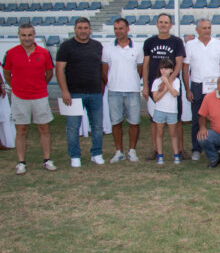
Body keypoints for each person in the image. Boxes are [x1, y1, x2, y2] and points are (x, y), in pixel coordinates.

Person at [2, 23, 56, 174]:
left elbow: (49, 72)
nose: (27, 38)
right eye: (23, 35)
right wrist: (15, 86)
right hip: (20, 97)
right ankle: (21, 162)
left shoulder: (43, 53)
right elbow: (6, 73)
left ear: (34, 35)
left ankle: (47, 159)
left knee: (44, 128)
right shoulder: (11, 53)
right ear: (19, 36)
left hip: (40, 96)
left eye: (30, 35)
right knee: (21, 130)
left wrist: (40, 85)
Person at [56, 17, 105, 167]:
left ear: (90, 29)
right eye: (80, 28)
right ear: (75, 29)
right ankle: (75, 156)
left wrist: (102, 87)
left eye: (85, 28)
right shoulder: (66, 46)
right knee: (72, 127)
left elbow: (102, 69)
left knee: (97, 126)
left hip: (95, 93)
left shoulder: (97, 46)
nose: (82, 31)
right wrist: (64, 91)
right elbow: (59, 70)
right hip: (74, 93)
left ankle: (96, 153)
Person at [142, 13, 186, 161]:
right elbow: (146, 65)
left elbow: (179, 63)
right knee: (155, 120)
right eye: (161, 22)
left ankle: (179, 150)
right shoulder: (149, 42)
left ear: (170, 25)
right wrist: (145, 86)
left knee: (177, 119)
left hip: (170, 84)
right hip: (154, 86)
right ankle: (156, 150)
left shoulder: (177, 42)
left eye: (166, 22)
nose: (163, 24)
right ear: (157, 24)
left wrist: (169, 81)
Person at [182, 18, 220, 161]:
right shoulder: (190, 45)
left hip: (215, 87)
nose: (207, 30)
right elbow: (185, 68)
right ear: (197, 30)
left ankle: (219, 147)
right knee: (197, 118)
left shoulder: (218, 43)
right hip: (197, 86)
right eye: (204, 28)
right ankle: (196, 148)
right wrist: (187, 89)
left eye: (209, 27)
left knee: (218, 118)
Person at [101, 17, 143, 163]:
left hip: (132, 91)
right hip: (114, 92)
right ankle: (119, 151)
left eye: (121, 28)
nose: (118, 31)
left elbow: (140, 70)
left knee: (134, 122)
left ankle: (132, 151)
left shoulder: (137, 47)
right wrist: (112, 84)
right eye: (116, 29)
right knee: (116, 122)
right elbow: (105, 70)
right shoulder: (107, 48)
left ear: (128, 29)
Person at [151, 58, 181, 165]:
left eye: (167, 68)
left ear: (172, 70)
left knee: (173, 134)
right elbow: (156, 98)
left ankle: (176, 155)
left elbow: (174, 93)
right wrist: (164, 89)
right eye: (162, 68)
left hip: (172, 111)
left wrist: (167, 83)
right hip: (159, 110)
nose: (164, 71)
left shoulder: (176, 81)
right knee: (159, 133)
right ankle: (160, 155)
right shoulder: (156, 81)